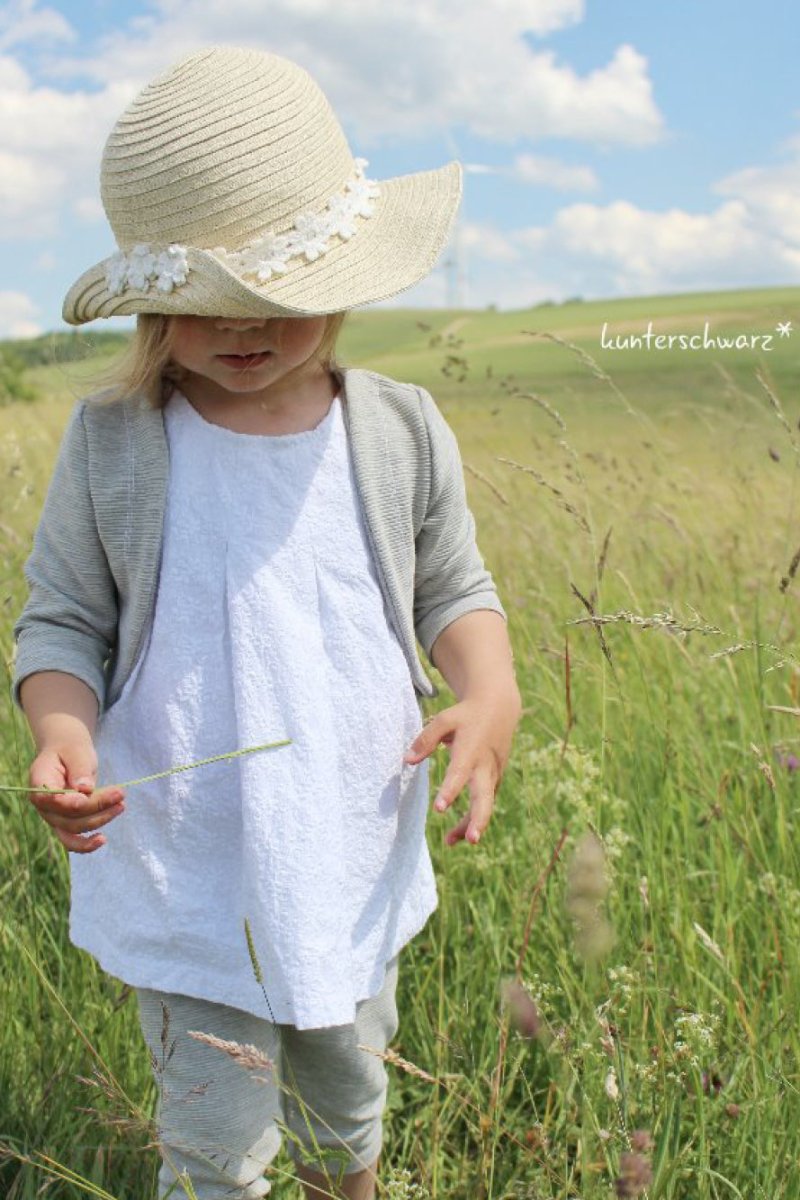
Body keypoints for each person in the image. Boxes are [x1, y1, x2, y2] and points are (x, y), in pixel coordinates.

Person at [11, 45, 522, 1200]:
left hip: (346, 845)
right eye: (199, 305)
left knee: (347, 1101)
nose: (239, 329)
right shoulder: (116, 443)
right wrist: (60, 729)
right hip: (187, 858)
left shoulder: (395, 428)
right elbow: (60, 623)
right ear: (151, 302)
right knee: (212, 1145)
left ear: (341, 278)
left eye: (271, 301)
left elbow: (454, 584)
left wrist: (487, 691)